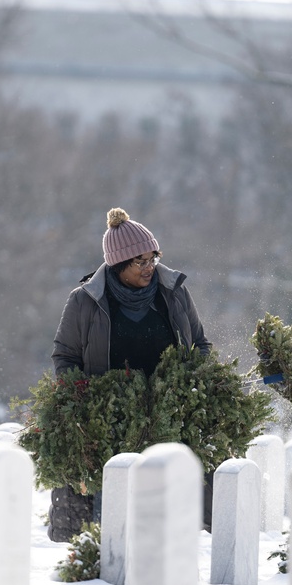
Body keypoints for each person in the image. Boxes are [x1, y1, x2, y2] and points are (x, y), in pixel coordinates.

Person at [47, 207, 212, 542]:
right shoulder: (85, 302)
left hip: (167, 413)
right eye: (141, 262)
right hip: (106, 418)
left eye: (153, 258)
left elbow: (200, 344)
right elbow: (65, 355)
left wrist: (193, 382)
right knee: (104, 497)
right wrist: (82, 395)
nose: (150, 267)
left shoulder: (174, 294)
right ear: (118, 264)